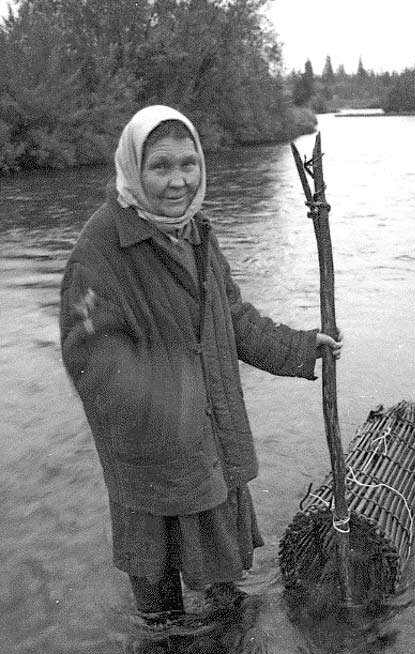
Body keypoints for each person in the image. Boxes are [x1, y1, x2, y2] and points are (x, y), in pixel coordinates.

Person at [59, 105, 342, 619]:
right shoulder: (99, 249)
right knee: (160, 603)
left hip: (211, 441)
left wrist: (303, 348)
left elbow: (231, 317)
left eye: (188, 164)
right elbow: (89, 358)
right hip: (152, 454)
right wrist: (172, 397)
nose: (178, 181)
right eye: (161, 166)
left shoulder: (197, 233)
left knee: (223, 586)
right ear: (133, 168)